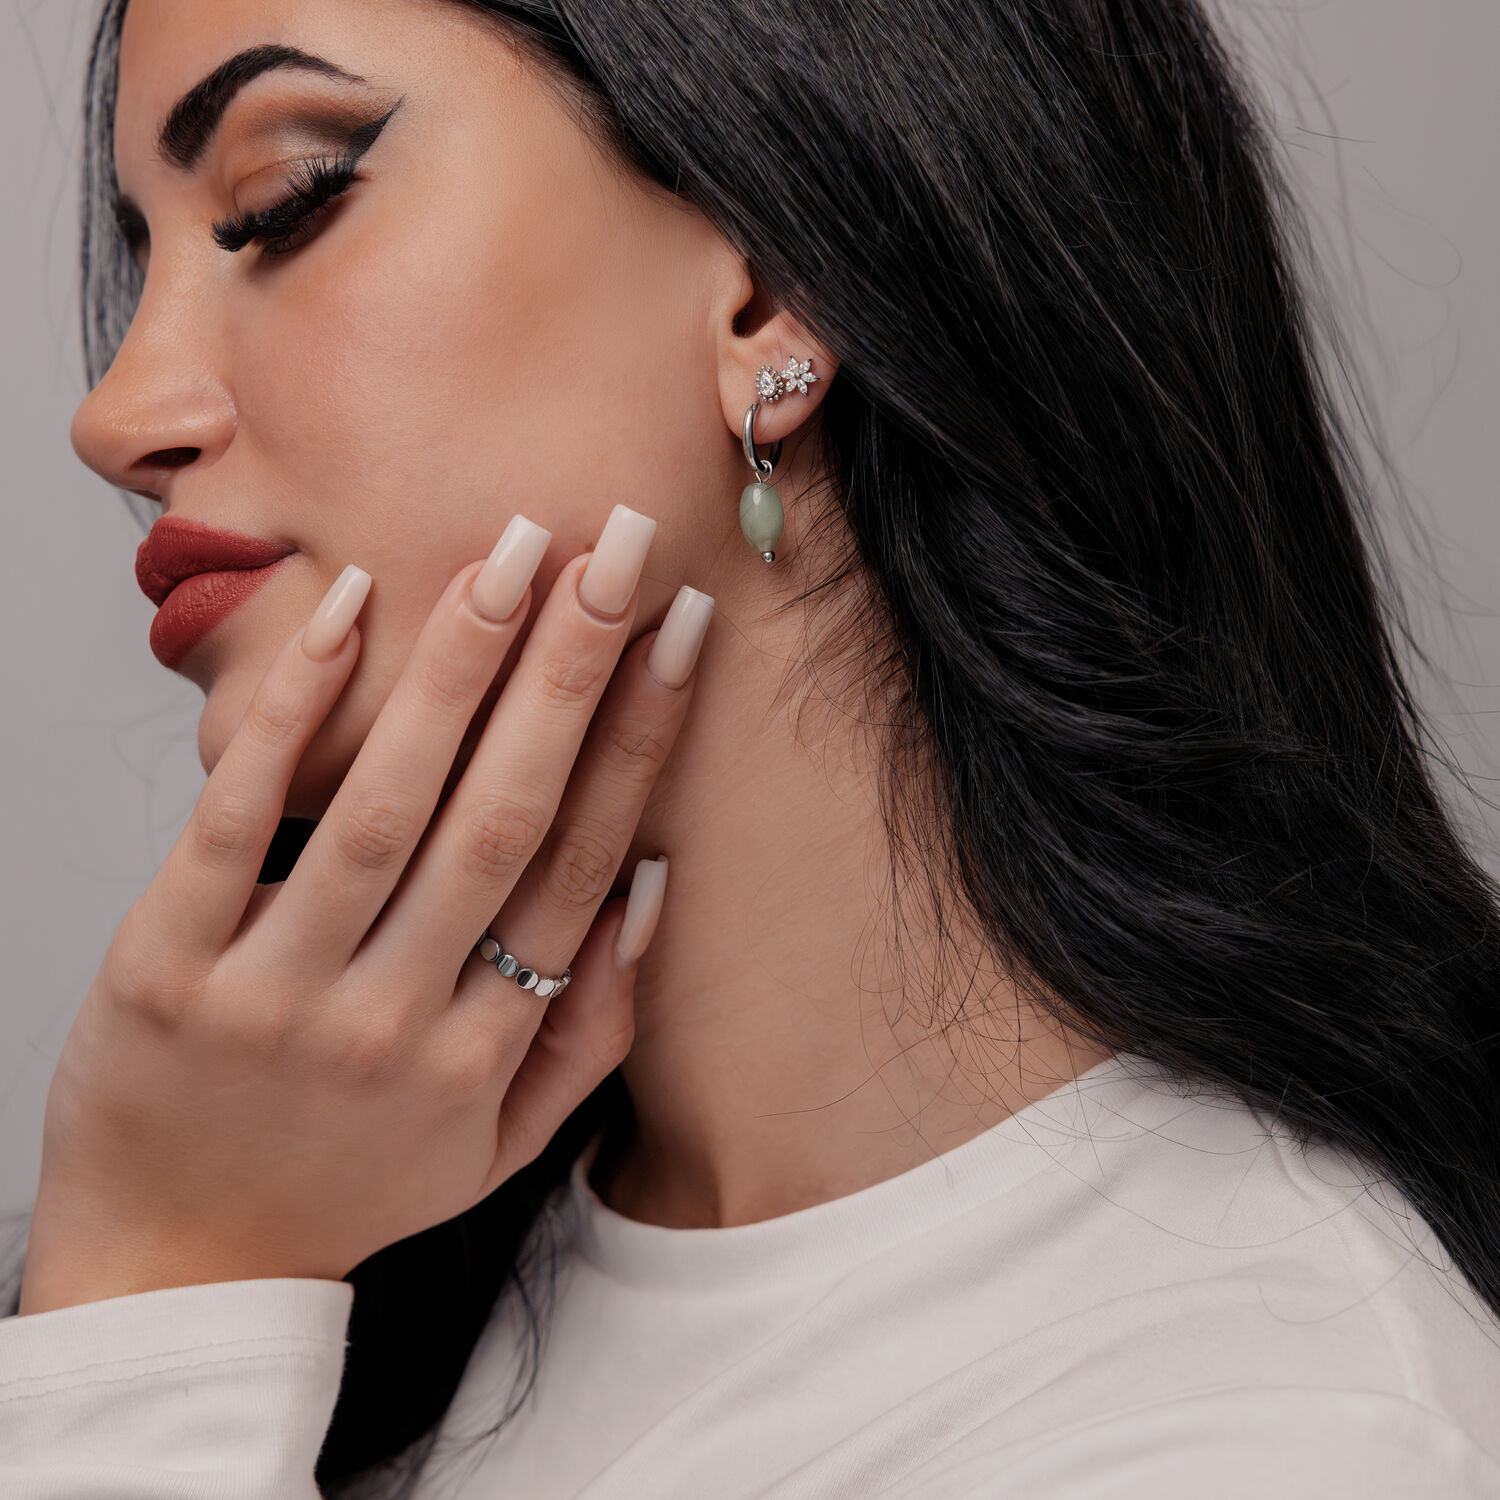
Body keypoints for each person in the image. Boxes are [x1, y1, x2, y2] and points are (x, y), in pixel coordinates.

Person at [2, 0, 1499, 1494]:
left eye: (283, 200)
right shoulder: (371, 1261)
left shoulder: (1265, 1427)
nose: (118, 412)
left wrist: (147, 1290)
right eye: (144, 255)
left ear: (771, 295)